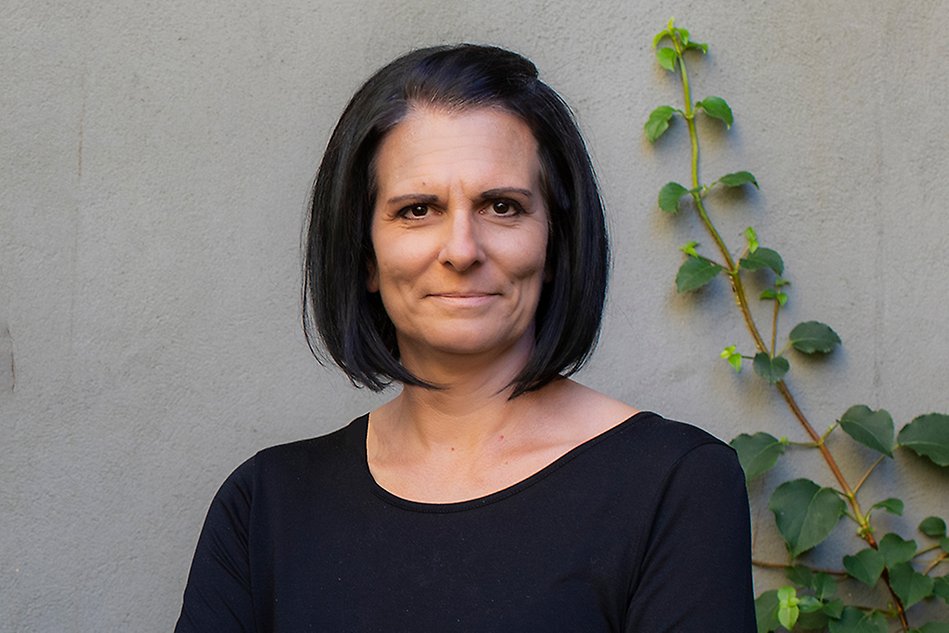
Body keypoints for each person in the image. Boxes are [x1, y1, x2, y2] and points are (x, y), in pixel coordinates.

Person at [174, 44, 756, 632]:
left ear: (555, 242)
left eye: (502, 207)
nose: (461, 250)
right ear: (365, 255)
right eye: (417, 209)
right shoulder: (267, 506)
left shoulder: (675, 486)